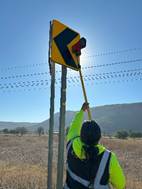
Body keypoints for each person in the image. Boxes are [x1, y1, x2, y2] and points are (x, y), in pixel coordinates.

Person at [64, 102, 126, 189]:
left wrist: (81, 111)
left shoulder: (71, 145)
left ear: (81, 135)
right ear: (99, 137)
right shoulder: (108, 158)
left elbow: (74, 126)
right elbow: (121, 185)